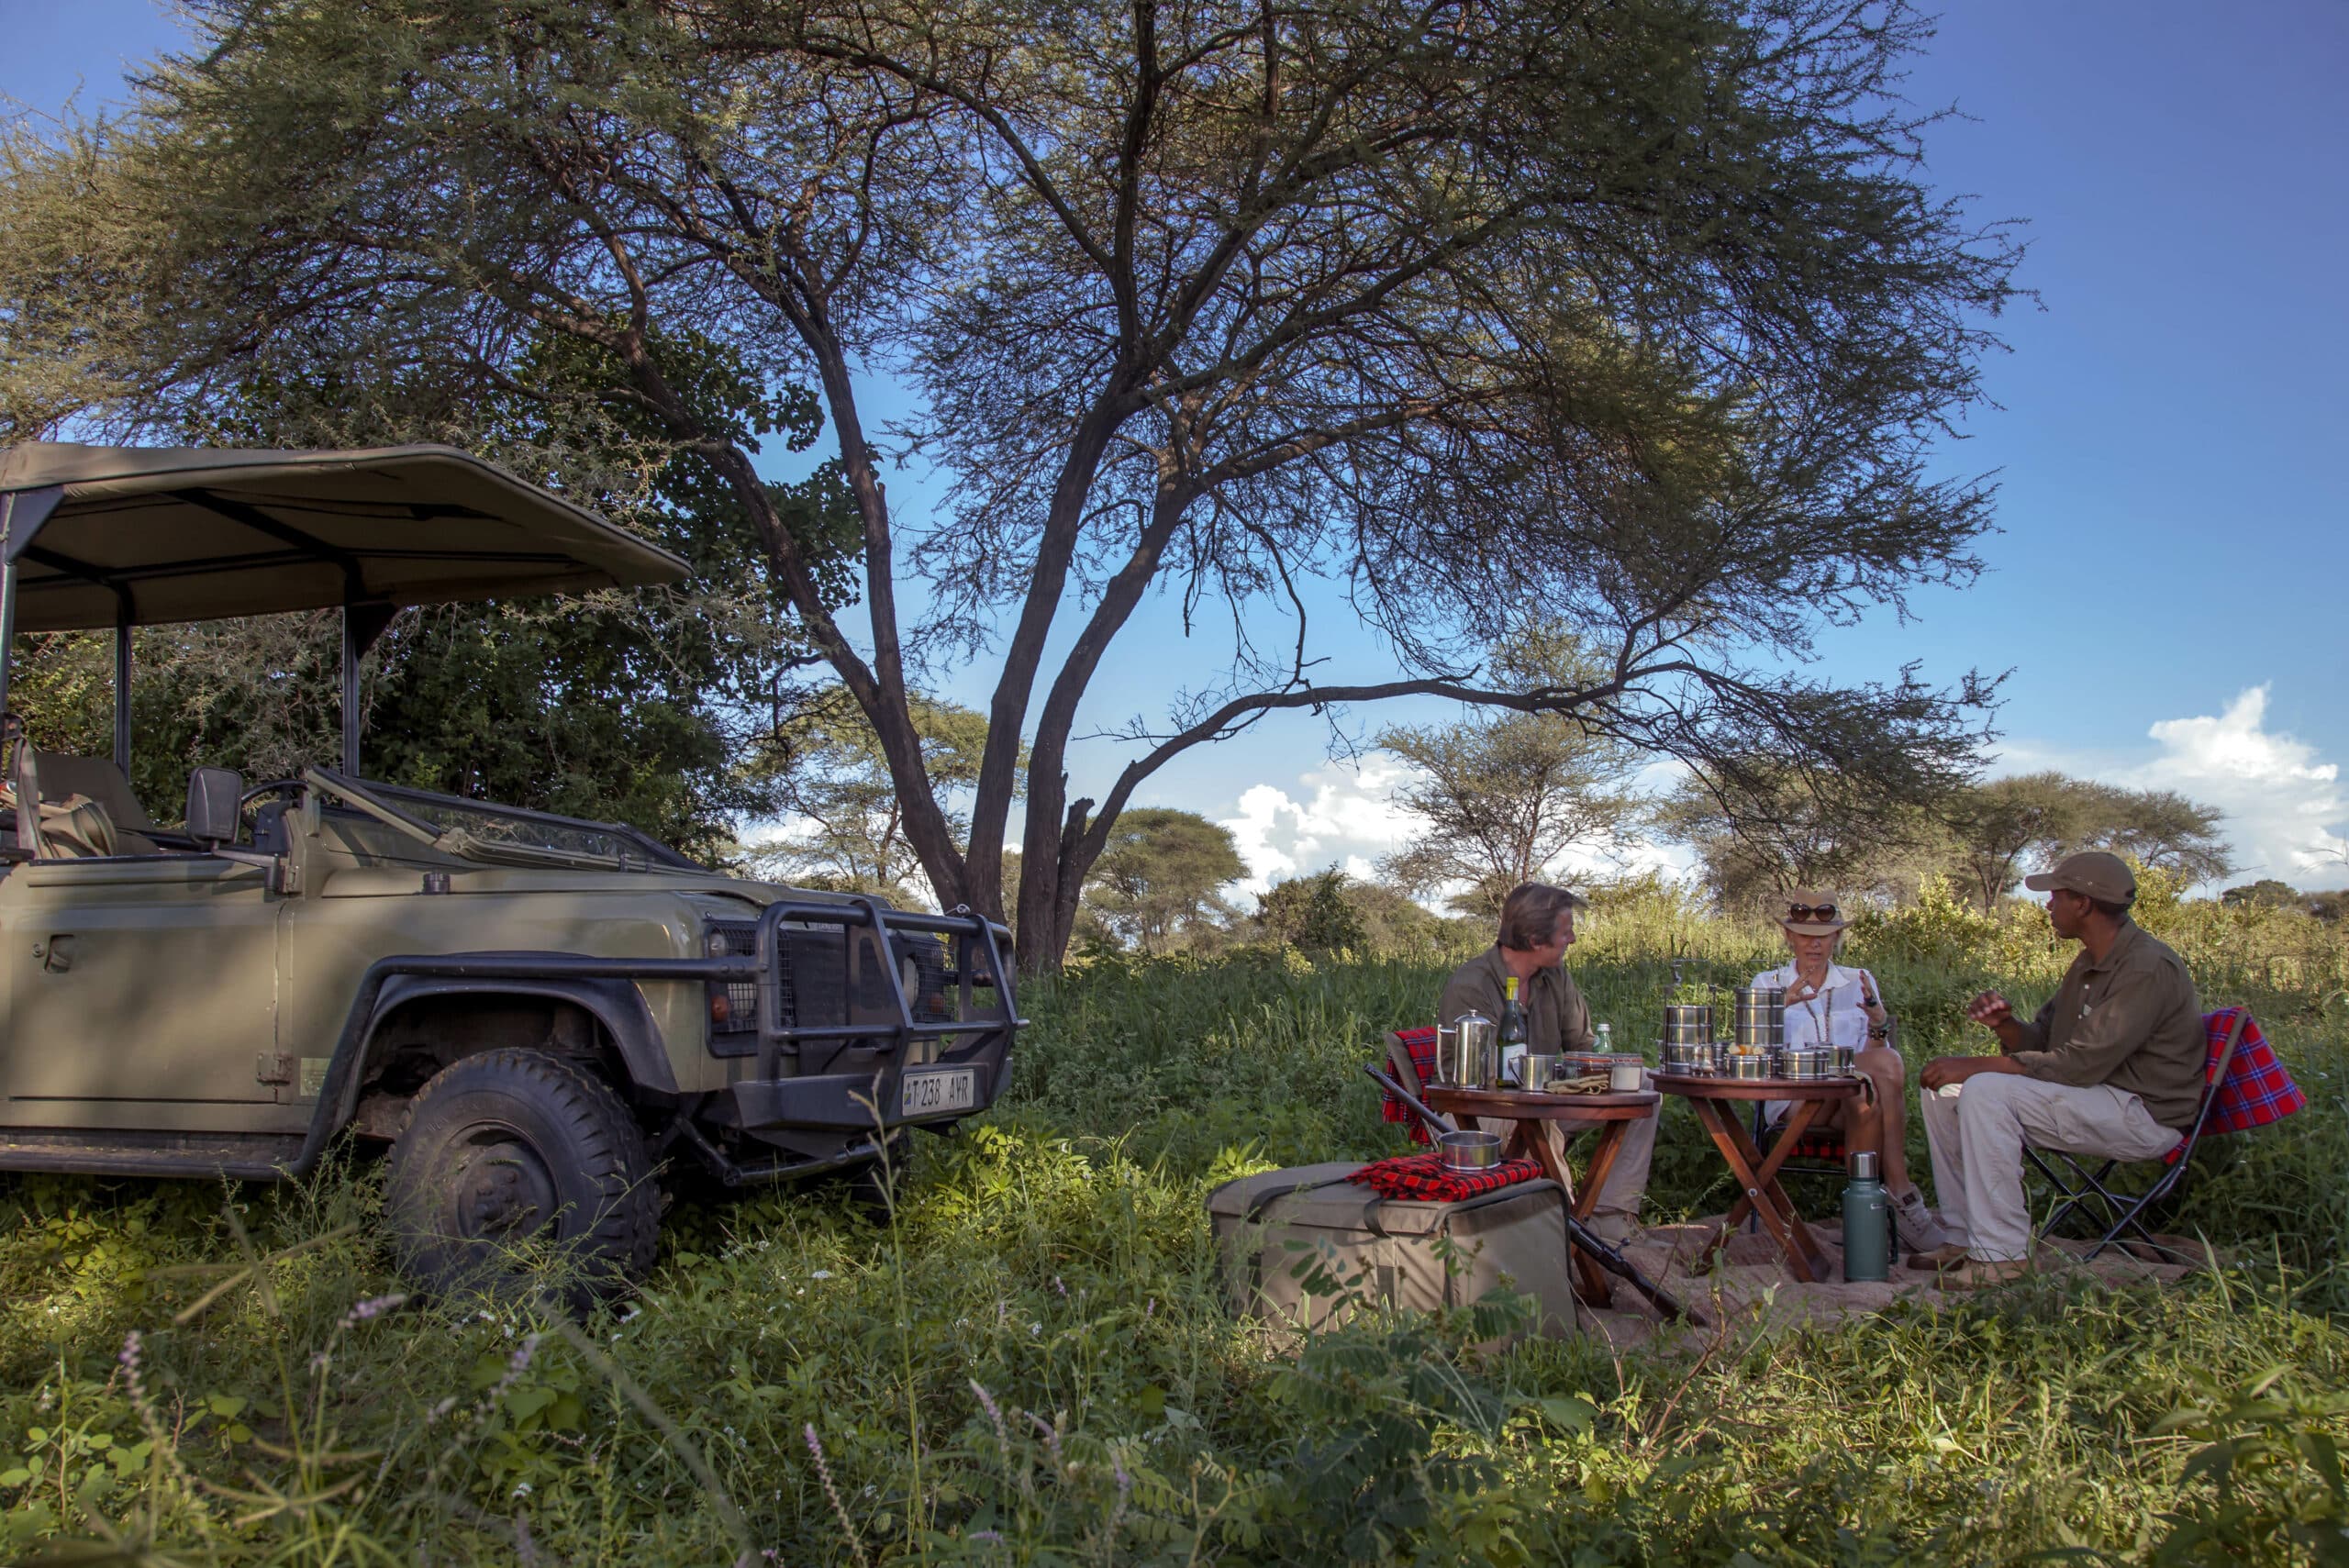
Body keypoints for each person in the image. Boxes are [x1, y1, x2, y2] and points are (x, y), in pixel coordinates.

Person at [1912, 851, 2206, 1289]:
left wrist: (1974, 1065)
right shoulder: (2087, 963)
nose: (2048, 906)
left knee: (1986, 1090)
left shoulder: (2146, 968)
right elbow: (2046, 1044)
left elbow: (2077, 1064)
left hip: (2142, 1113)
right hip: (2096, 1094)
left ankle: (2002, 1256)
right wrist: (2006, 1027)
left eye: (2056, 897)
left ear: (2084, 904)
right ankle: (1964, 1237)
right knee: (1944, 1093)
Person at [1437, 882, 1653, 1241]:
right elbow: (1482, 1076)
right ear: (1536, 940)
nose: (1573, 940)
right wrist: (1546, 1087)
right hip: (1482, 1111)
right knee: (1540, 1121)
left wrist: (1610, 1067)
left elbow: (1582, 1044)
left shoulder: (1555, 975)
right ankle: (1563, 1230)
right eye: (1566, 932)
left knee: (1643, 1086)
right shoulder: (1472, 984)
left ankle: (1609, 1216)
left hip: (1546, 1098)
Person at [1748, 891, 1949, 1252]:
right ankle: (1900, 1194)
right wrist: (1780, 1007)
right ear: (1789, 938)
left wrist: (1878, 1025)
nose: (1814, 944)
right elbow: (1750, 1052)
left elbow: (1875, 1059)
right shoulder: (1768, 982)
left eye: (1823, 937)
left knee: (1868, 1089)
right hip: (1795, 1097)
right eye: (1805, 936)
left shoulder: (1858, 980)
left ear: (1836, 939)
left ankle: (1866, 1219)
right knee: (1881, 1072)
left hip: (1849, 1093)